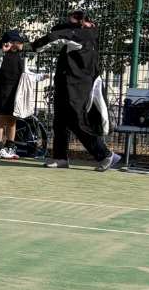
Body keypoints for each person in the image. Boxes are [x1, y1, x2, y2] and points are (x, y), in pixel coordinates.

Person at [29, 11, 119, 172]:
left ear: (88, 23)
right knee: (60, 121)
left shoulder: (83, 35)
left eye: (79, 20)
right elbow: (58, 29)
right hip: (66, 82)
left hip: (77, 86)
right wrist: (73, 22)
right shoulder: (82, 33)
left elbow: (55, 36)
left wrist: (31, 46)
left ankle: (105, 154)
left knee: (77, 121)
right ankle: (60, 157)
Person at [0, 30, 34, 159]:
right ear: (8, 42)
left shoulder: (20, 57)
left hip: (16, 93)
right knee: (1, 120)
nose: (19, 44)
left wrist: (42, 76)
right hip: (3, 91)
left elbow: (27, 74)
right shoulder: (0, 55)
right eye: (16, 41)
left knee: (12, 121)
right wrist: (2, 50)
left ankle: (10, 148)